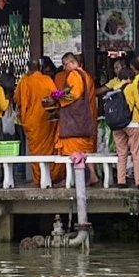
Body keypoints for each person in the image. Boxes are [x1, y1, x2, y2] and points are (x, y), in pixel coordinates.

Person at [14, 58, 61, 186]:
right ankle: (51, 176)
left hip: (32, 121)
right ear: (40, 68)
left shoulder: (25, 82)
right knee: (49, 149)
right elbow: (55, 96)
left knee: (35, 151)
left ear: (28, 69)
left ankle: (38, 179)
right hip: (47, 119)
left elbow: (17, 99)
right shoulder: (47, 80)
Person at [55, 52, 99, 185]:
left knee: (72, 148)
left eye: (65, 64)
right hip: (87, 117)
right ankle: (92, 175)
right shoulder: (86, 75)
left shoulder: (74, 74)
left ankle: (69, 179)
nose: (64, 68)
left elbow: (74, 95)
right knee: (84, 150)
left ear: (72, 63)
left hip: (76, 119)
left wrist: (59, 98)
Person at [114, 64, 139, 189]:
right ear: (129, 78)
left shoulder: (114, 88)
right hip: (132, 122)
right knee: (136, 152)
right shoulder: (132, 87)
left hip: (117, 124)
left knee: (121, 153)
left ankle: (121, 181)